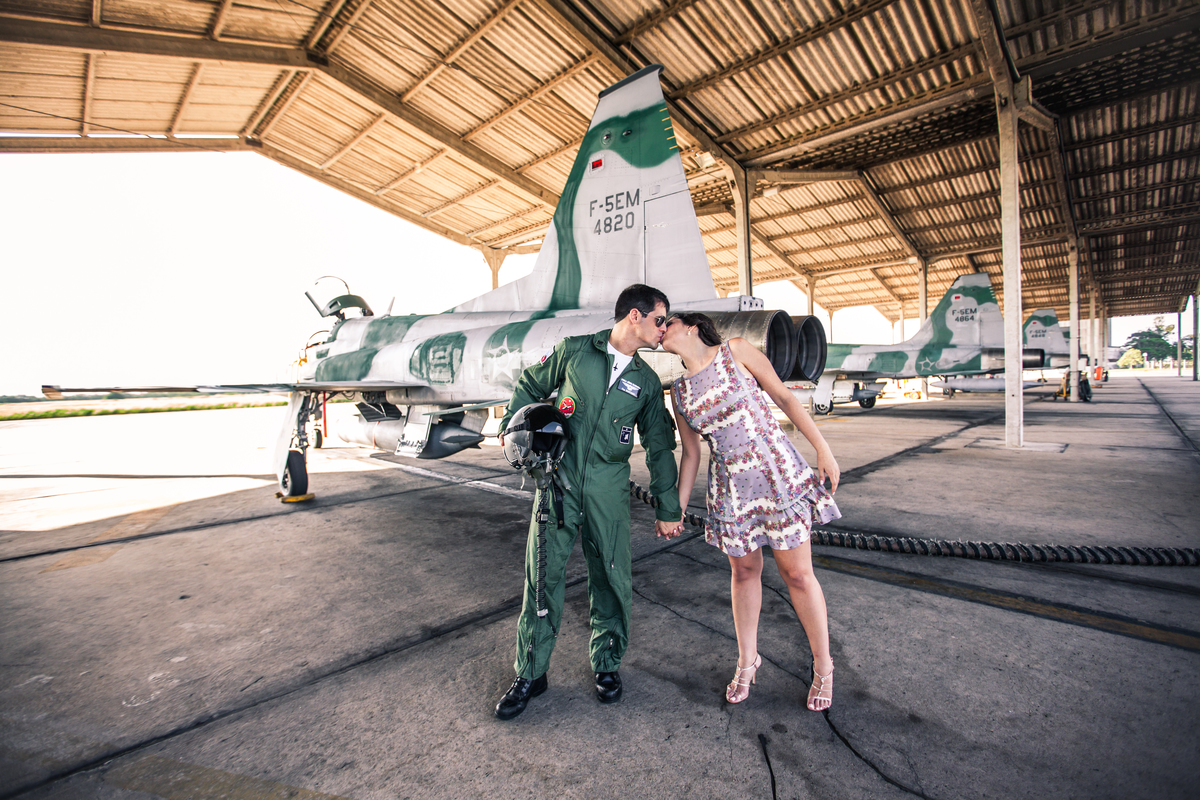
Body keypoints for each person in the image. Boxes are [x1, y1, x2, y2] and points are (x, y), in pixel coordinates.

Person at [493, 284, 684, 720]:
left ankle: (608, 666)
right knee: (542, 579)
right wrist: (509, 427)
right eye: (660, 319)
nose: (664, 328)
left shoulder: (647, 383)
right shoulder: (575, 352)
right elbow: (529, 383)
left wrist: (668, 508)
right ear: (634, 316)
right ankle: (531, 672)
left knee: (612, 581)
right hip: (556, 485)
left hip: (608, 493)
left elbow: (659, 447)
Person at [660, 312, 841, 711]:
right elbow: (690, 454)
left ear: (690, 326)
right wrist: (673, 507)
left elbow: (785, 397)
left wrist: (822, 450)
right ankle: (747, 660)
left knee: (797, 573)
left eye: (666, 322)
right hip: (732, 491)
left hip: (777, 475)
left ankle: (824, 666)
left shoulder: (736, 351)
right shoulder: (679, 392)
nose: (660, 330)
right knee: (743, 572)